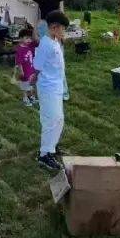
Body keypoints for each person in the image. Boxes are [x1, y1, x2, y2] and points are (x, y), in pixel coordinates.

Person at [34, 10, 70, 171]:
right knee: (50, 120)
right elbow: (37, 66)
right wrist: (33, 81)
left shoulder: (55, 41)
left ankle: (51, 147)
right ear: (54, 27)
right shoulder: (45, 44)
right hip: (48, 88)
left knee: (59, 119)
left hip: (56, 86)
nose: (64, 31)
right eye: (63, 28)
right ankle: (44, 155)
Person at [14, 26, 38, 107]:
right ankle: (25, 98)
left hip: (31, 69)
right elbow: (19, 62)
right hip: (24, 71)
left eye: (30, 38)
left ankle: (31, 97)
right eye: (27, 38)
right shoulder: (20, 49)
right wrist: (21, 71)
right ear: (21, 39)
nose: (29, 40)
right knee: (25, 85)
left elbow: (36, 42)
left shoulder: (30, 46)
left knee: (31, 84)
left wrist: (35, 32)